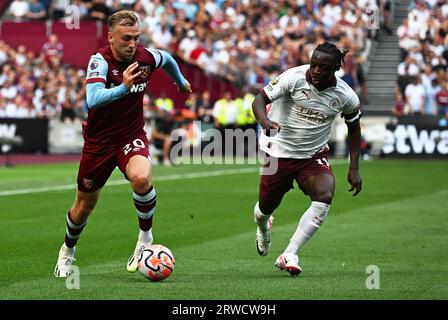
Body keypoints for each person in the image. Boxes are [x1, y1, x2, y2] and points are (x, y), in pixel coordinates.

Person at [54, 10, 191, 277]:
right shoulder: (99, 61)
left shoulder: (146, 57)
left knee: (141, 179)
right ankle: (67, 250)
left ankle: (145, 240)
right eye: (126, 38)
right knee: (83, 207)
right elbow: (92, 99)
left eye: (136, 38)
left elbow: (169, 58)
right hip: (99, 143)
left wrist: (181, 80)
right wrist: (124, 88)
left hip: (131, 136)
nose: (132, 44)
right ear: (111, 37)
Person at [251, 42, 362, 276]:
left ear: (335, 70)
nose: (316, 71)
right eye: (314, 64)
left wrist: (354, 168)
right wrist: (265, 122)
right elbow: (259, 100)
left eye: (323, 67)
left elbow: (354, 128)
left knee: (324, 195)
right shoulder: (292, 78)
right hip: (278, 152)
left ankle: (290, 253)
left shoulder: (346, 96)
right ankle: (263, 226)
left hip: (312, 155)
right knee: (264, 208)